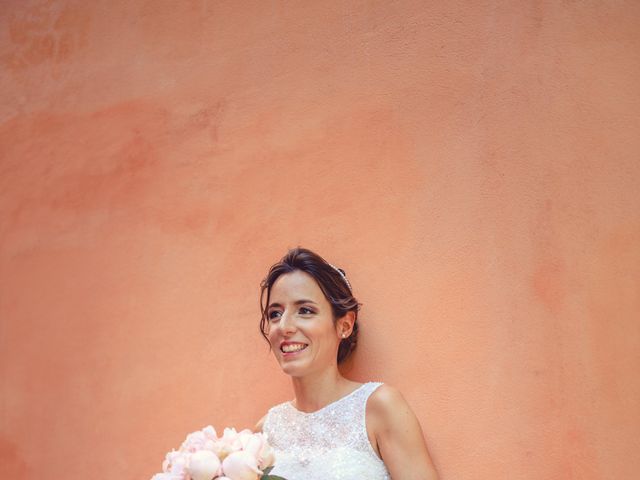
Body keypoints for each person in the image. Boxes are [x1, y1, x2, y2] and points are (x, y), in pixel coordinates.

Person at [254, 247, 439, 480]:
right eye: (275, 314)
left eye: (305, 310)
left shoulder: (379, 408)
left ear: (345, 325)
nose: (284, 326)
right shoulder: (265, 433)